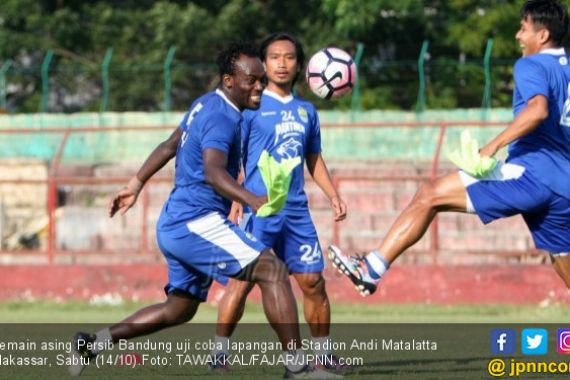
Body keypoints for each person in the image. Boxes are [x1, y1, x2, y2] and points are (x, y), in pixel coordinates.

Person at [70, 42, 338, 379]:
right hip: (194, 222)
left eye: (260, 79)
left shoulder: (205, 103)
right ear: (229, 80)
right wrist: (249, 199)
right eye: (251, 81)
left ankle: (92, 344)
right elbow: (214, 172)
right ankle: (298, 368)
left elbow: (170, 145)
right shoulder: (221, 117)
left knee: (178, 310)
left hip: (176, 222)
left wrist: (135, 184)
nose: (259, 86)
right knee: (273, 272)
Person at [329, 0, 570, 297]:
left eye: (523, 29)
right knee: (563, 262)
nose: (518, 36)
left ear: (542, 36)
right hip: (563, 187)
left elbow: (538, 110)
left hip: (532, 175)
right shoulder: (567, 68)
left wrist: (491, 146)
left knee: (429, 194)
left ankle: (371, 269)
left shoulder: (530, 64)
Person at [209, 32, 350, 372]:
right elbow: (230, 155)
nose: (282, 63)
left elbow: (313, 158)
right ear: (264, 64)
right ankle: (218, 355)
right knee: (242, 285)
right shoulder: (250, 107)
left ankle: (323, 356)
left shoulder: (306, 111)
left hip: (297, 213)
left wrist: (333, 195)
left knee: (313, 283)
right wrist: (236, 197)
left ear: (300, 65)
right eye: (275, 57)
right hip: (261, 209)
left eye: (289, 57)